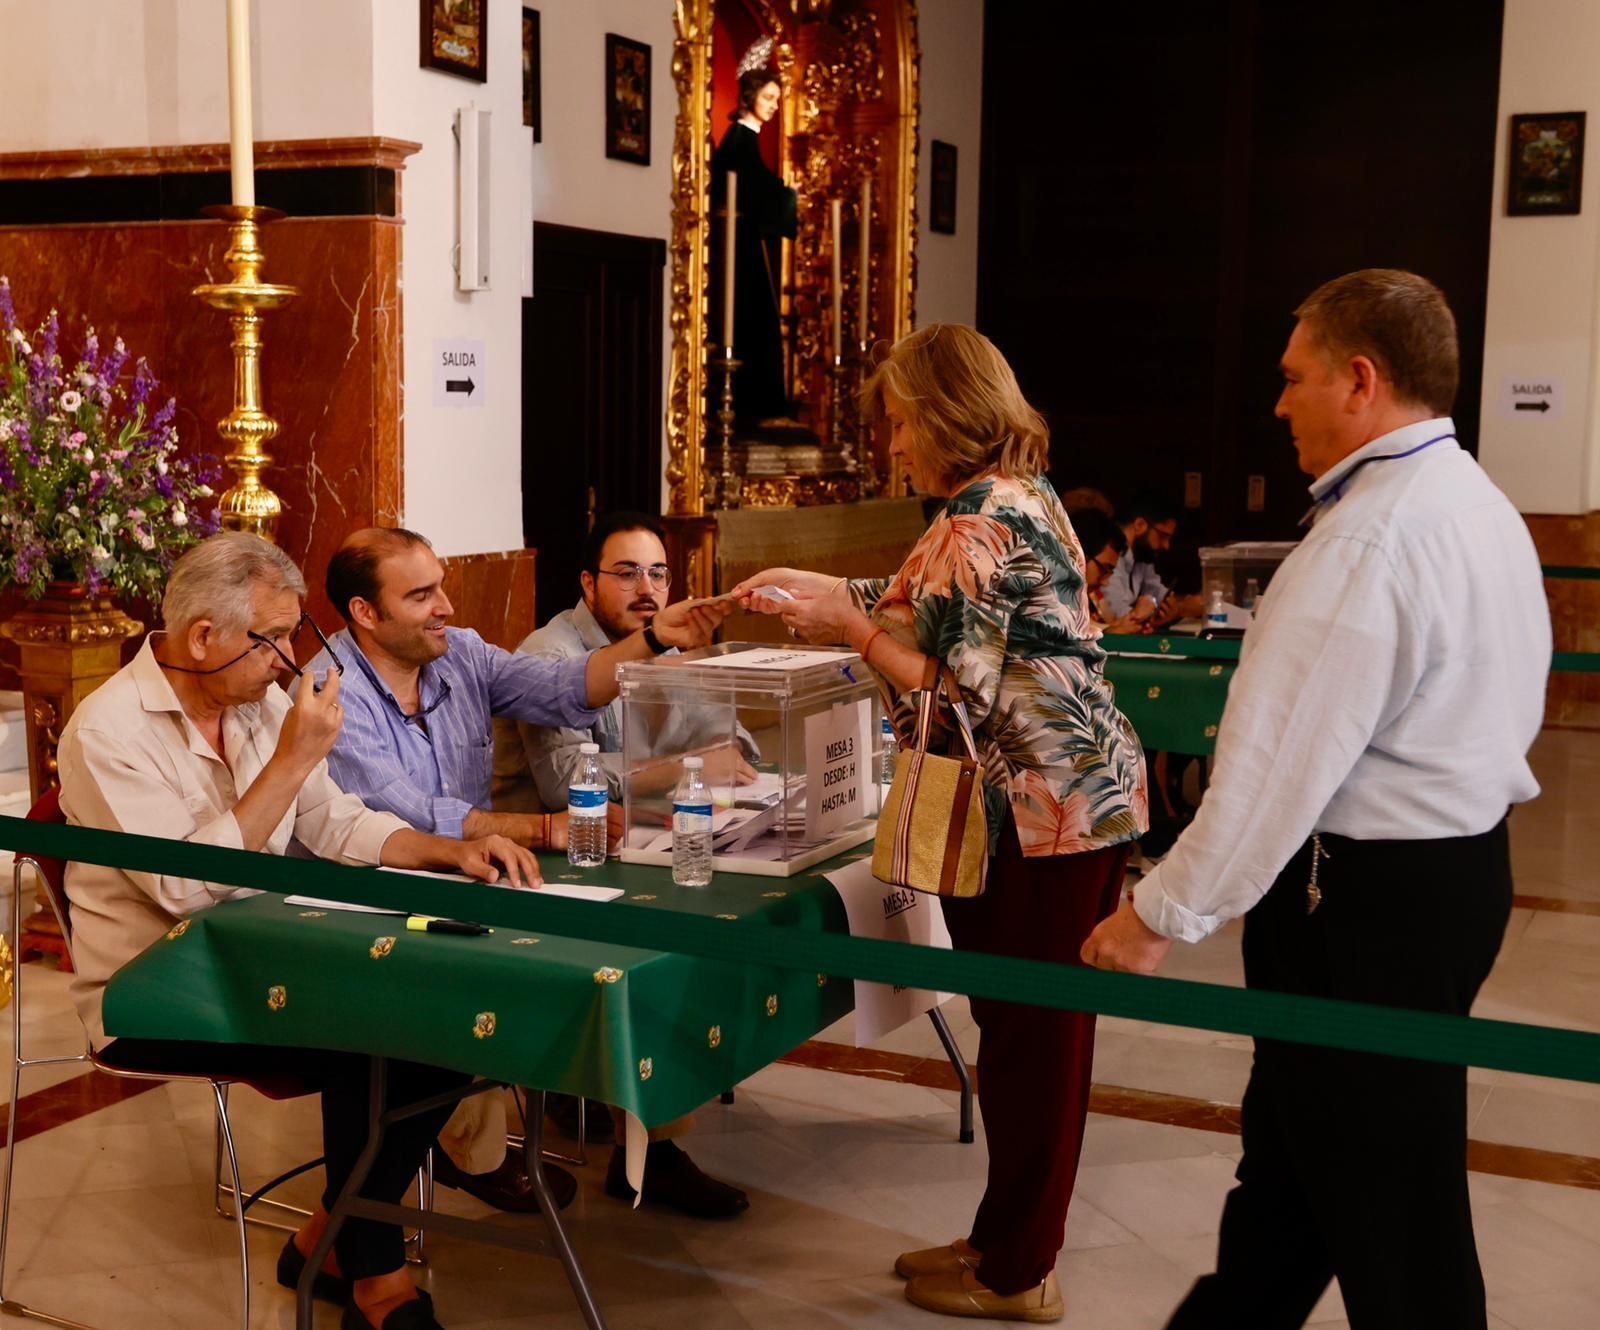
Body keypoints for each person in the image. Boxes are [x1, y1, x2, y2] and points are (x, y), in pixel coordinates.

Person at [1082, 269, 1551, 1330]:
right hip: (1452, 873)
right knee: (1294, 1180)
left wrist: (1157, 913)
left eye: (1292, 379)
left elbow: (1276, 765)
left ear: (1359, 379)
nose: (1276, 403)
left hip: (1363, 906)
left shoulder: (1366, 539)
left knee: (1396, 1210)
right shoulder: (1477, 502)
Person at [733, 323, 1148, 1323]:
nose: (895, 443)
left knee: (1031, 1046)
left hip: (1042, 813)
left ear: (947, 416)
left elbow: (954, 692)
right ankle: (1002, 1237)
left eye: (902, 421)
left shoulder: (975, 520)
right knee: (1025, 1037)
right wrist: (828, 593)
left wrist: (849, 629)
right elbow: (933, 606)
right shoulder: (1013, 497)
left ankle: (1018, 1271)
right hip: (1074, 802)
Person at [56, 532, 544, 1330]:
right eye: (272, 638)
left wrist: (449, 850)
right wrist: (290, 761)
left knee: (439, 1014)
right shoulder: (108, 731)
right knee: (378, 1030)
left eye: (293, 634)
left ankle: (335, 1233)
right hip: (154, 987)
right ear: (203, 638)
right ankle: (376, 1281)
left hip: (266, 955)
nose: (290, 660)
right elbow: (181, 889)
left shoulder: (253, 700)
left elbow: (334, 818)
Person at [298, 526, 727, 1214]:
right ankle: (470, 1150)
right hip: (372, 905)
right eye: (421, 595)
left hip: (476, 880)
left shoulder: (461, 653)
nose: (445, 605)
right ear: (365, 614)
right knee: (464, 991)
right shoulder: (327, 695)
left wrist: (655, 638)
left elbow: (563, 688)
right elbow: (413, 815)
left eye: (441, 585)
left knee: (639, 947)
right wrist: (546, 829)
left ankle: (643, 1144)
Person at [492, 509, 755, 1219]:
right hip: (543, 860)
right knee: (664, 945)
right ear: (588, 581)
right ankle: (651, 1151)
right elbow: (568, 786)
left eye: (660, 573)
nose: (648, 588)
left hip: (632, 845)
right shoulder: (550, 653)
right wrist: (688, 768)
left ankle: (627, 1108)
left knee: (721, 918)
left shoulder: (669, 650)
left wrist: (688, 768)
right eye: (628, 572)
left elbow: (738, 743)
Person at [711, 65, 797, 422]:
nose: (774, 105)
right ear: (749, 97)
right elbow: (751, 188)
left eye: (778, 99)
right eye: (768, 97)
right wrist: (788, 195)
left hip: (747, 243)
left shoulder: (746, 139)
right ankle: (751, 406)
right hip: (739, 247)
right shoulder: (738, 141)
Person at [1100, 492, 1179, 623]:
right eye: (1162, 536)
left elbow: (1156, 593)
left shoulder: (1142, 555)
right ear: (1140, 525)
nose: (1166, 546)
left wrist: (1171, 607)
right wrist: (1144, 614)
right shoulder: (1109, 554)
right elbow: (1115, 613)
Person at [1066, 506, 1132, 626]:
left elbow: (1110, 624)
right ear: (1079, 556)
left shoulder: (1091, 595)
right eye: (1103, 569)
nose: (1105, 582)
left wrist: (1130, 623)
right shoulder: (1044, 594)